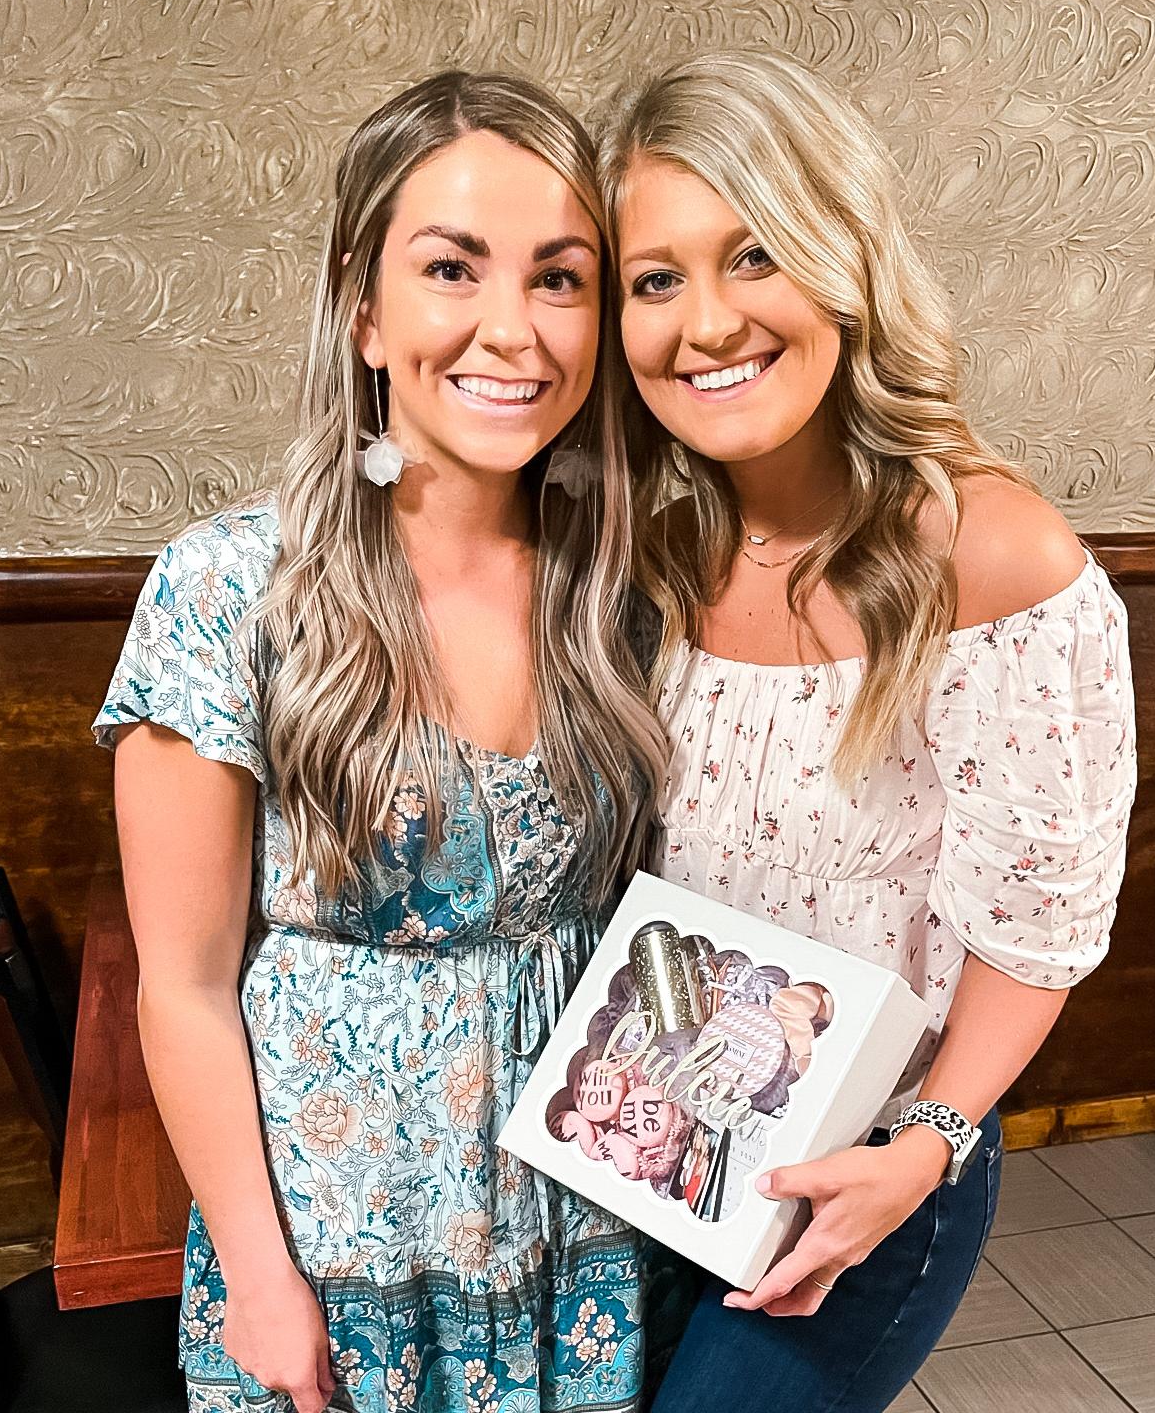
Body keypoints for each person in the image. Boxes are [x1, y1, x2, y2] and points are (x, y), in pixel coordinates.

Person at [93, 71, 667, 1413]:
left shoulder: (619, 590)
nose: (513, 330)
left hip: (578, 1232)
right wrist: (259, 1279)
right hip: (334, 1246)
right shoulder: (231, 587)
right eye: (452, 268)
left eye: (560, 278)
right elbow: (181, 987)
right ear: (363, 307)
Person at [600, 52, 1138, 1412]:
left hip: (880, 1161)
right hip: (663, 1130)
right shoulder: (654, 542)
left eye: (756, 254)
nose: (706, 322)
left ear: (845, 258)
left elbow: (1037, 923)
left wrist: (925, 1149)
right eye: (654, 279)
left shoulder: (990, 552)